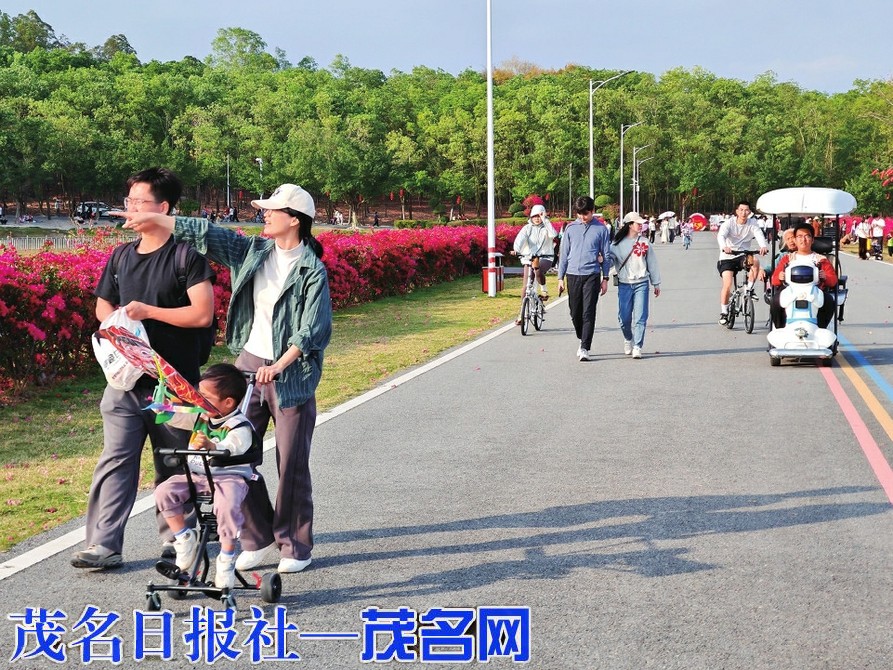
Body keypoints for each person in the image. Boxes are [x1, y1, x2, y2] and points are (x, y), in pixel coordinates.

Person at [118, 183, 332, 575]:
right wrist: (156, 218)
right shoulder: (254, 252)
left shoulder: (311, 270)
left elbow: (310, 332)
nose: (264, 215)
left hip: (291, 374)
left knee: (292, 463)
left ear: (295, 220)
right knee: (231, 454)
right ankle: (257, 537)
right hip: (248, 363)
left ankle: (295, 546)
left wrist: (279, 366)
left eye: (272, 211)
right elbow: (206, 233)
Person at [71, 167, 215, 569]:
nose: (130, 209)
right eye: (129, 201)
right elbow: (103, 305)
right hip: (124, 382)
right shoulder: (121, 256)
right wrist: (118, 324)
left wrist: (149, 312)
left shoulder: (186, 256)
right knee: (116, 457)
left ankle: (179, 539)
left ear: (164, 208)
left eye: (140, 203)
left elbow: (202, 314)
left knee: (172, 459)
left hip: (174, 383)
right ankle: (103, 544)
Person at [154, 363, 260, 588]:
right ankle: (184, 539)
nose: (198, 400)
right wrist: (162, 407)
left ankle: (226, 559)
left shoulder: (239, 426)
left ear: (228, 402)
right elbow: (176, 418)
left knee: (227, 506)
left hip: (229, 477)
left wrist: (211, 444)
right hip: (199, 475)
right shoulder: (200, 416)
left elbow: (232, 447)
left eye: (205, 396)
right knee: (164, 491)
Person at [556, 196, 613, 361]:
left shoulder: (601, 229)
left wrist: (605, 278)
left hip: (592, 275)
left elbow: (606, 255)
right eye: (580, 214)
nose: (582, 217)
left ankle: (585, 347)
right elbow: (564, 254)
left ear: (592, 211)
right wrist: (560, 278)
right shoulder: (570, 228)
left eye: (586, 214)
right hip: (573, 275)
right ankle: (582, 336)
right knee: (575, 312)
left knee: (588, 311)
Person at [610, 212, 661, 359]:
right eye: (638, 223)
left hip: (641, 283)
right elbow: (608, 261)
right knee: (624, 318)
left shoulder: (644, 242)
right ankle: (628, 339)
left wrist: (656, 282)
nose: (641, 225)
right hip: (624, 284)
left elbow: (652, 263)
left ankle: (638, 346)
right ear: (629, 225)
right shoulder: (616, 244)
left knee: (641, 316)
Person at [769, 221, 838, 329]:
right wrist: (780, 277)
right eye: (800, 236)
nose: (803, 239)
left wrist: (825, 277)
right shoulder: (787, 259)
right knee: (775, 301)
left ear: (812, 240)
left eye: (807, 236)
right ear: (795, 240)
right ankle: (780, 329)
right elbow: (774, 280)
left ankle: (821, 329)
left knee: (829, 301)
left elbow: (833, 280)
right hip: (790, 291)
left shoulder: (821, 259)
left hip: (815, 292)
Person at [716, 200, 768, 326]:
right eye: (741, 210)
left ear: (749, 212)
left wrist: (763, 246)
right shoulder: (729, 223)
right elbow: (721, 236)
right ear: (737, 211)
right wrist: (724, 247)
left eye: (746, 210)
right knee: (727, 285)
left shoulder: (752, 223)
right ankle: (724, 312)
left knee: (755, 261)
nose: (744, 213)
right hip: (727, 256)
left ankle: (749, 289)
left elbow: (759, 234)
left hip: (742, 255)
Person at [511, 204, 557, 324]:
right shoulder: (527, 228)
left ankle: (544, 290)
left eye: (540, 216)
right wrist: (516, 249)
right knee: (526, 286)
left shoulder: (546, 227)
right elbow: (520, 239)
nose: (537, 218)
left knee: (537, 268)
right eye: (535, 216)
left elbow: (554, 234)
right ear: (531, 216)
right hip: (529, 258)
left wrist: (545, 220)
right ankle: (521, 313)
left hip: (546, 257)